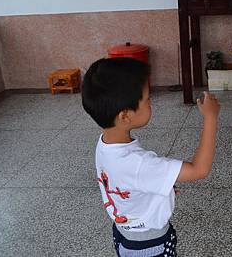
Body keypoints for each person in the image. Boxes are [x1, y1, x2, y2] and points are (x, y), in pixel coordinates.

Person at [81, 57, 220, 257]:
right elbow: (200, 170)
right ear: (125, 115)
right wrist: (210, 117)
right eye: (147, 99)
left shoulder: (104, 144)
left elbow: (127, 183)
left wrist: (158, 192)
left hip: (124, 234)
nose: (150, 102)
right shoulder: (139, 164)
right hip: (150, 244)